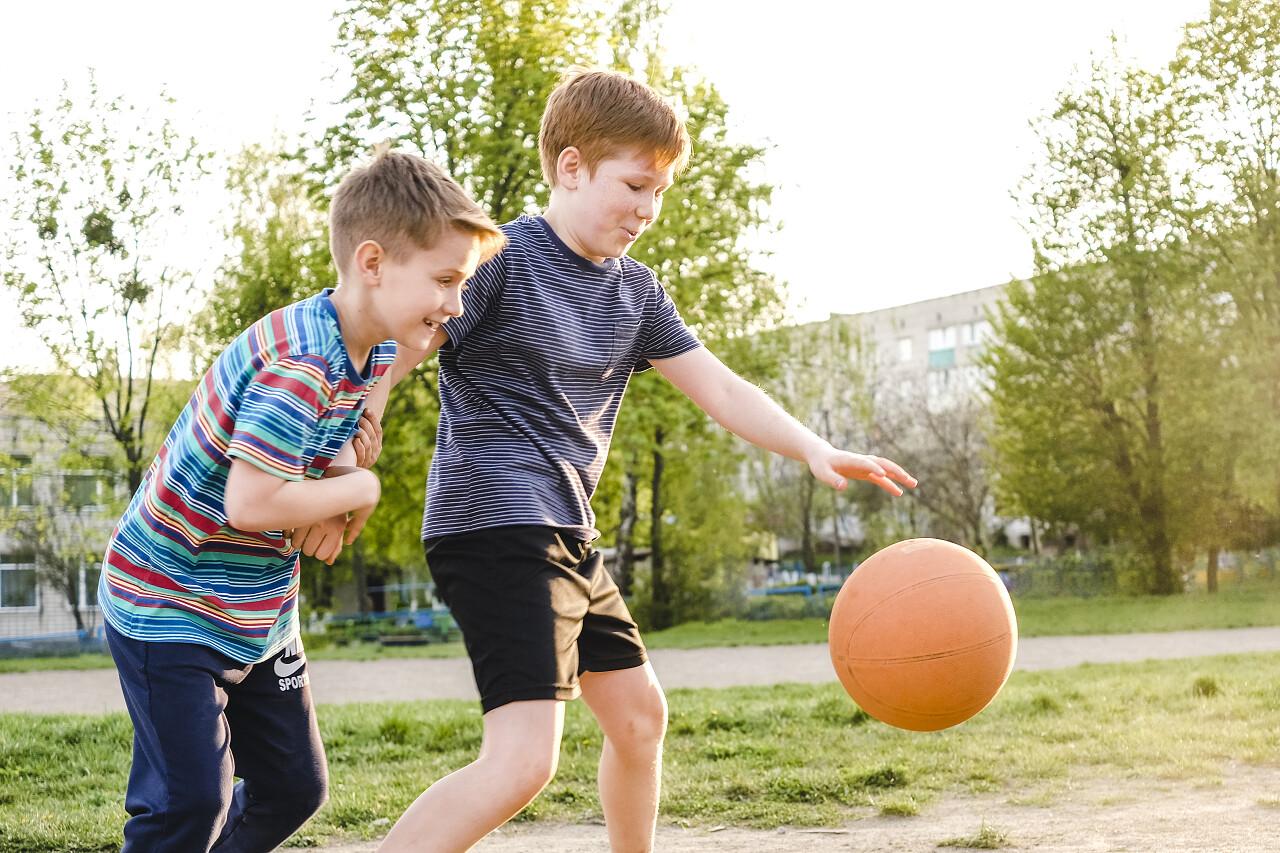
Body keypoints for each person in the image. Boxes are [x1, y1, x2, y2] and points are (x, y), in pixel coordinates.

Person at [368, 69, 916, 853]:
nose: (647, 210)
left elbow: (721, 388)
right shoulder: (500, 260)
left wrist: (814, 448)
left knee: (639, 717)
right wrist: (366, 413)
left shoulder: (636, 293)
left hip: (564, 532)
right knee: (524, 760)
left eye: (659, 192)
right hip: (496, 524)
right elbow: (406, 337)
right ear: (570, 167)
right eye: (633, 184)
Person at [97, 148, 505, 853]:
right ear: (372, 263)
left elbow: (363, 399)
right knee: (190, 803)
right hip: (169, 604)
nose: (455, 304)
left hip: (257, 609)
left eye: (461, 283)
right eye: (444, 279)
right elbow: (251, 502)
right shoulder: (303, 360)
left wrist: (343, 461)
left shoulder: (370, 344)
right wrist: (359, 487)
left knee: (293, 786)